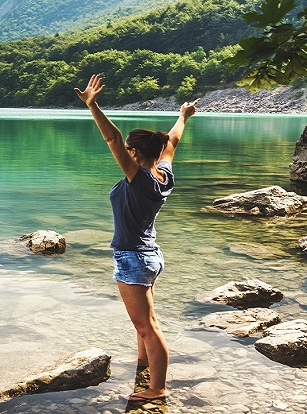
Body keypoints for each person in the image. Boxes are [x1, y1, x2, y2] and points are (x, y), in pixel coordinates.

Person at [74, 73, 199, 402]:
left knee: (147, 326)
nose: (124, 151)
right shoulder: (163, 173)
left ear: (135, 153)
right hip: (149, 254)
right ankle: (144, 365)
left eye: (129, 149)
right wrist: (182, 117)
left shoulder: (140, 179)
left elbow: (112, 139)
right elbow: (171, 142)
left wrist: (93, 105)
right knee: (146, 321)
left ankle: (157, 388)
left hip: (133, 257)